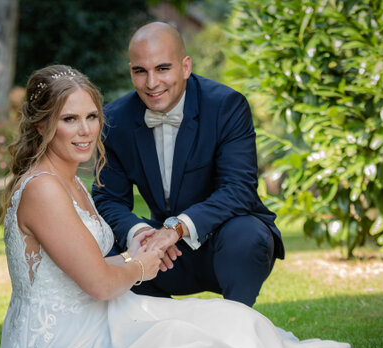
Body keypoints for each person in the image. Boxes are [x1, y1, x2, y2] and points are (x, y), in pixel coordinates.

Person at [0, 65, 369, 348]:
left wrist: (135, 249)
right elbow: (97, 283)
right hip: (63, 340)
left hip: (97, 314)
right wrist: (143, 264)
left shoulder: (71, 181)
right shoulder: (45, 189)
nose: (85, 131)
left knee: (228, 321)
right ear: (43, 124)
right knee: (191, 343)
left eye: (92, 117)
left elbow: (87, 267)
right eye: (69, 119)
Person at [92, 22, 284, 307]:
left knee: (248, 234)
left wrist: (176, 229)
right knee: (104, 245)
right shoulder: (115, 119)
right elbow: (108, 199)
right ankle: (158, 325)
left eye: (162, 68)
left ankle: (237, 323)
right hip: (167, 257)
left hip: (228, 244)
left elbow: (239, 189)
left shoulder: (226, 106)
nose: (151, 83)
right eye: (140, 71)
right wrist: (142, 234)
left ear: (185, 67)